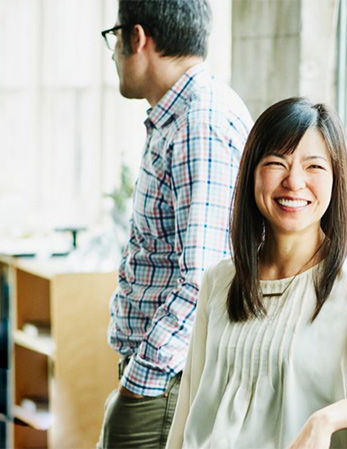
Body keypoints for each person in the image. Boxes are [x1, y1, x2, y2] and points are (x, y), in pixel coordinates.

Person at [165, 97, 347, 449]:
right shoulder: (220, 279)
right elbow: (189, 409)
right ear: (252, 174)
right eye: (277, 162)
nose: (294, 181)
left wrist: (327, 419)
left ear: (336, 179)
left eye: (314, 167)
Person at [98, 1, 252, 447]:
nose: (113, 55)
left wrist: (141, 379)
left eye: (114, 38)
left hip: (166, 381)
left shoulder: (199, 122)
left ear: (137, 38)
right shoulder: (180, 116)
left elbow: (205, 275)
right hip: (158, 375)